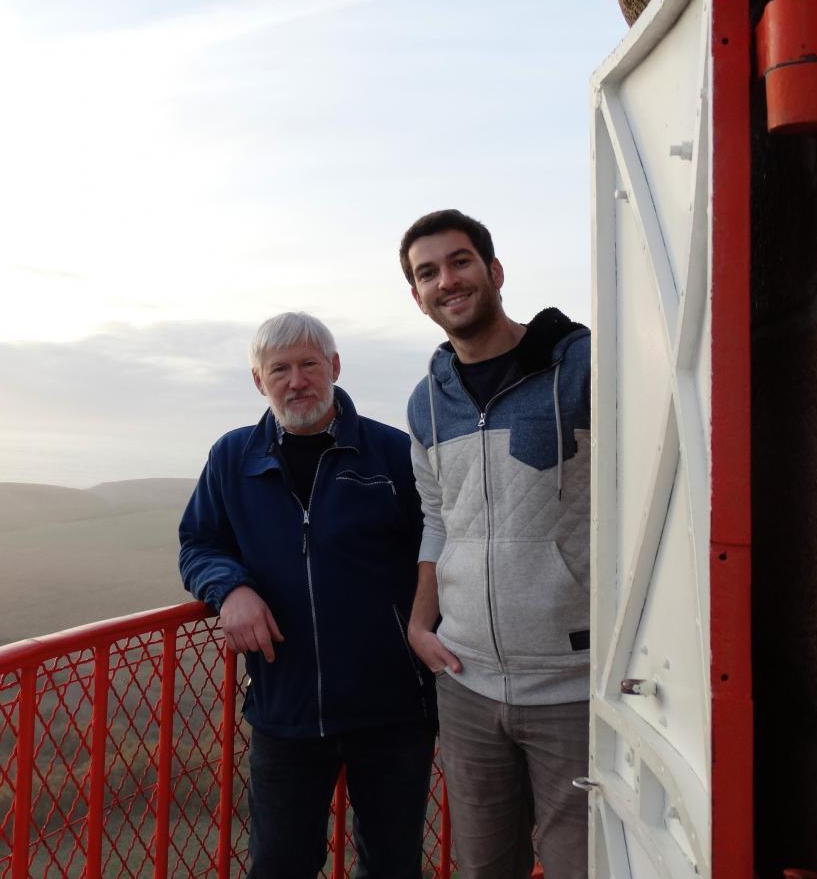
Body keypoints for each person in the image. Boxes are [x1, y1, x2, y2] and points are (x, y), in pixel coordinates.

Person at [179, 311, 437, 879]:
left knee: (393, 865)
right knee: (280, 865)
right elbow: (198, 542)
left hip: (392, 707)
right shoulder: (232, 458)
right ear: (258, 380)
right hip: (285, 706)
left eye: (309, 365)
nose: (296, 381)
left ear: (335, 367)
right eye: (280, 369)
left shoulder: (392, 453)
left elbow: (437, 551)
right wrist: (231, 590)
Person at [399, 209, 591, 879]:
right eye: (428, 273)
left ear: (494, 270)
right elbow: (437, 517)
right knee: (484, 869)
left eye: (460, 261)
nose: (446, 280)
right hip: (466, 682)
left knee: (583, 868)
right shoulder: (427, 403)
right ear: (417, 297)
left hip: (574, 685)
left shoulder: (577, 369)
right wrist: (421, 623)